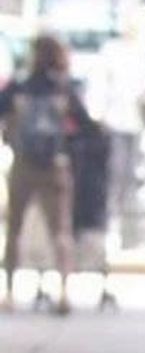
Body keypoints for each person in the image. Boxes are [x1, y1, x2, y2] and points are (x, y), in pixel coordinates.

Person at [0, 33, 91, 314]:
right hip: (55, 165)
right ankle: (63, 291)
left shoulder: (19, 87)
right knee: (60, 230)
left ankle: (9, 292)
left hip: (24, 163)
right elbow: (85, 125)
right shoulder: (63, 88)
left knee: (14, 228)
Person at [84, 16, 145, 235]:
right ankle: (111, 220)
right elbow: (99, 84)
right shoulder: (111, 51)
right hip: (115, 122)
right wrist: (97, 115)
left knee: (132, 174)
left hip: (138, 122)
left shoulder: (144, 51)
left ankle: (125, 218)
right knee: (114, 172)